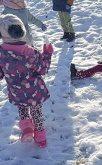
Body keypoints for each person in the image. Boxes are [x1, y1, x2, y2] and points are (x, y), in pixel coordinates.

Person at [0, 14, 53, 148]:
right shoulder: (31, 52)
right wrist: (47, 54)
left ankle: (27, 128)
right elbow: (43, 69)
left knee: (22, 109)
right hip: (35, 91)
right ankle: (40, 137)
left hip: (16, 92)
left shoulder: (1, 53)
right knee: (36, 112)